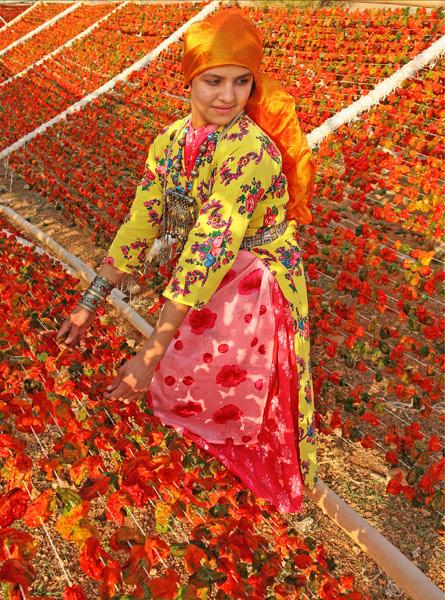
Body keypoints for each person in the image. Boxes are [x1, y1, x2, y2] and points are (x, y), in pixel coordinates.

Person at [57, 9, 317, 513]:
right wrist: (89, 302)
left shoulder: (251, 152)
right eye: (214, 80)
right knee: (197, 381)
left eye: (243, 82)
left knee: (230, 388)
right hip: (210, 279)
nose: (228, 96)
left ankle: (254, 496)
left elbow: (209, 244)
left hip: (253, 285)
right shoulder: (170, 143)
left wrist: (149, 356)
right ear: (189, 79)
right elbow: (141, 224)